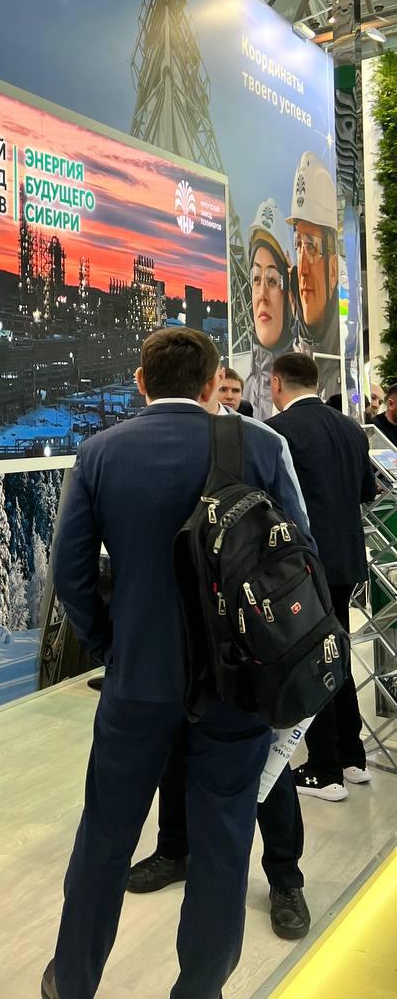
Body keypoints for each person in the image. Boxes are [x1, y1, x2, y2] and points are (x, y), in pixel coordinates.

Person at [42, 328, 313, 999]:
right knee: (223, 844)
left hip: (137, 682)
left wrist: (113, 645)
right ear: (212, 382)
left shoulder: (100, 454)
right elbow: (299, 557)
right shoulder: (262, 447)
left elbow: (70, 574)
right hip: (237, 684)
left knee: (105, 838)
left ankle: (72, 982)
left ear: (141, 382)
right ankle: (201, 988)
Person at [126, 370, 310, 940]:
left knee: (265, 763)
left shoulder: (260, 443)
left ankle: (286, 878)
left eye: (233, 391)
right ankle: (174, 849)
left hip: (246, 639)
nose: (226, 397)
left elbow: (298, 537)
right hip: (176, 643)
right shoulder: (140, 445)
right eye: (222, 389)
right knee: (176, 752)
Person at [268, 353, 378, 801]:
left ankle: (325, 769)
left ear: (276, 383)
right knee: (337, 654)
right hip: (348, 560)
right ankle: (352, 758)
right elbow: (367, 492)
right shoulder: (351, 429)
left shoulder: (278, 432)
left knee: (313, 662)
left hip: (304, 566)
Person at [286, 153, 340, 399]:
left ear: (333, 269)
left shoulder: (346, 369)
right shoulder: (284, 370)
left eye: (312, 247)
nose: (303, 268)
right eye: (298, 245)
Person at [243, 198, 295, 420]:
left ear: (289, 292)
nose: (262, 295)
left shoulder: (303, 391)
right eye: (256, 278)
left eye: (273, 280)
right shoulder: (239, 392)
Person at [371, 383, 397, 448]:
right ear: (391, 404)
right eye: (372, 398)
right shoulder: (373, 428)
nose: (376, 405)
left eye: (380, 402)